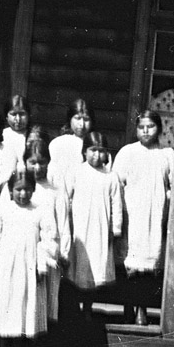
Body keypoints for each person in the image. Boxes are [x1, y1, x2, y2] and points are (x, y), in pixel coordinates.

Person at [0, 170, 57, 347]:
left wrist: (41, 265)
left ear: (33, 189)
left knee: (21, 308)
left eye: (27, 189)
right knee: (4, 307)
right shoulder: (0, 210)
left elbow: (48, 240)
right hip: (5, 267)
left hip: (27, 268)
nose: (23, 194)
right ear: (10, 190)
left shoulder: (41, 211)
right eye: (18, 189)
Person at [112, 110, 174, 326]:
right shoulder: (127, 153)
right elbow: (116, 185)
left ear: (159, 129)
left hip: (154, 217)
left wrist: (167, 211)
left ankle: (142, 308)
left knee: (150, 263)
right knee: (130, 264)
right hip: (132, 215)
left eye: (151, 127)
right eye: (141, 127)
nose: (146, 131)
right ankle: (128, 308)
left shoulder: (167, 155)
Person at [0, 138, 70, 323]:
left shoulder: (55, 191)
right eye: (32, 162)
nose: (37, 167)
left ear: (48, 162)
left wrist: (63, 252)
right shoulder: (15, 187)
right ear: (25, 162)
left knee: (44, 301)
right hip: (18, 252)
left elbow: (63, 224)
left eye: (42, 162)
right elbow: (2, 215)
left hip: (46, 252)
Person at [66, 132, 123, 318]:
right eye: (93, 150)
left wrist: (115, 229)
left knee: (94, 268)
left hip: (100, 229)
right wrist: (67, 225)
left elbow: (116, 204)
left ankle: (88, 306)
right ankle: (75, 307)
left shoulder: (111, 176)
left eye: (101, 151)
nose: (97, 155)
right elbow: (67, 198)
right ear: (84, 151)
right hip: (79, 228)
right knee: (78, 265)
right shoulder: (77, 172)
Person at [49, 98, 99, 187]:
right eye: (77, 118)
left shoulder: (97, 146)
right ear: (70, 119)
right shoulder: (58, 144)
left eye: (86, 119)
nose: (81, 124)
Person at [0, 94, 31, 175]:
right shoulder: (2, 135)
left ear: (28, 115)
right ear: (6, 116)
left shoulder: (32, 135)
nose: (18, 119)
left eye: (22, 114)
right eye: (13, 114)